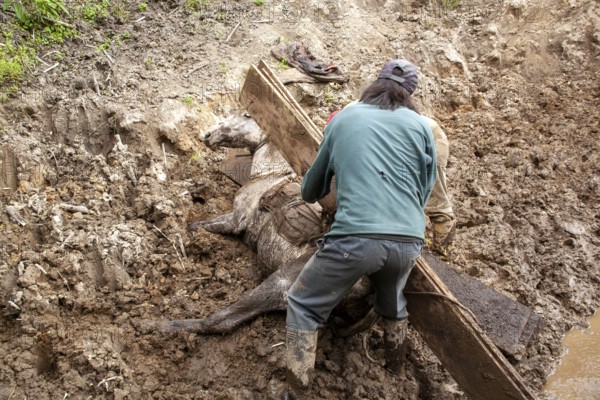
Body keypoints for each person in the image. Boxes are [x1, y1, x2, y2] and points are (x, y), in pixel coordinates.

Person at [279, 59, 437, 398]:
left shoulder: (346, 118)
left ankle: (297, 387)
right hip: (409, 242)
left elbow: (312, 189)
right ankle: (395, 366)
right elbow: (426, 187)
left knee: (303, 303)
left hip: (355, 241)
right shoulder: (421, 126)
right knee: (393, 302)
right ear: (411, 93)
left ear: (375, 83)